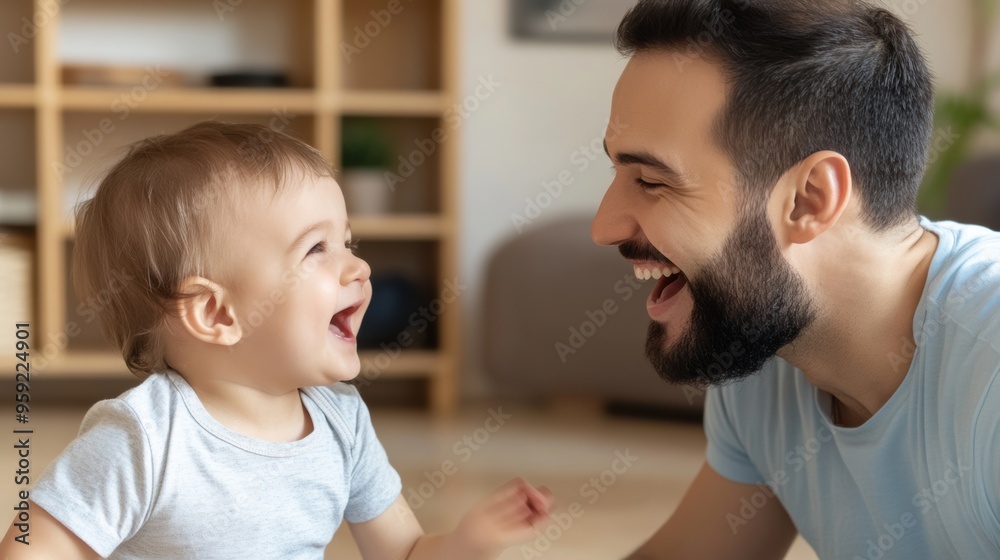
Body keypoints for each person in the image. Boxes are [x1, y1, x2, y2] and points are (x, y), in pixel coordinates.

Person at [0, 122, 552, 559]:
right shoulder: (144, 437)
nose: (357, 265)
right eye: (316, 249)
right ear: (216, 312)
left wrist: (473, 540)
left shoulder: (342, 421)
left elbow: (403, 553)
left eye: (348, 241)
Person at [591, 0, 1000, 558]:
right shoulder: (764, 338)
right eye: (617, 171)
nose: (603, 226)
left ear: (810, 199)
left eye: (653, 181)